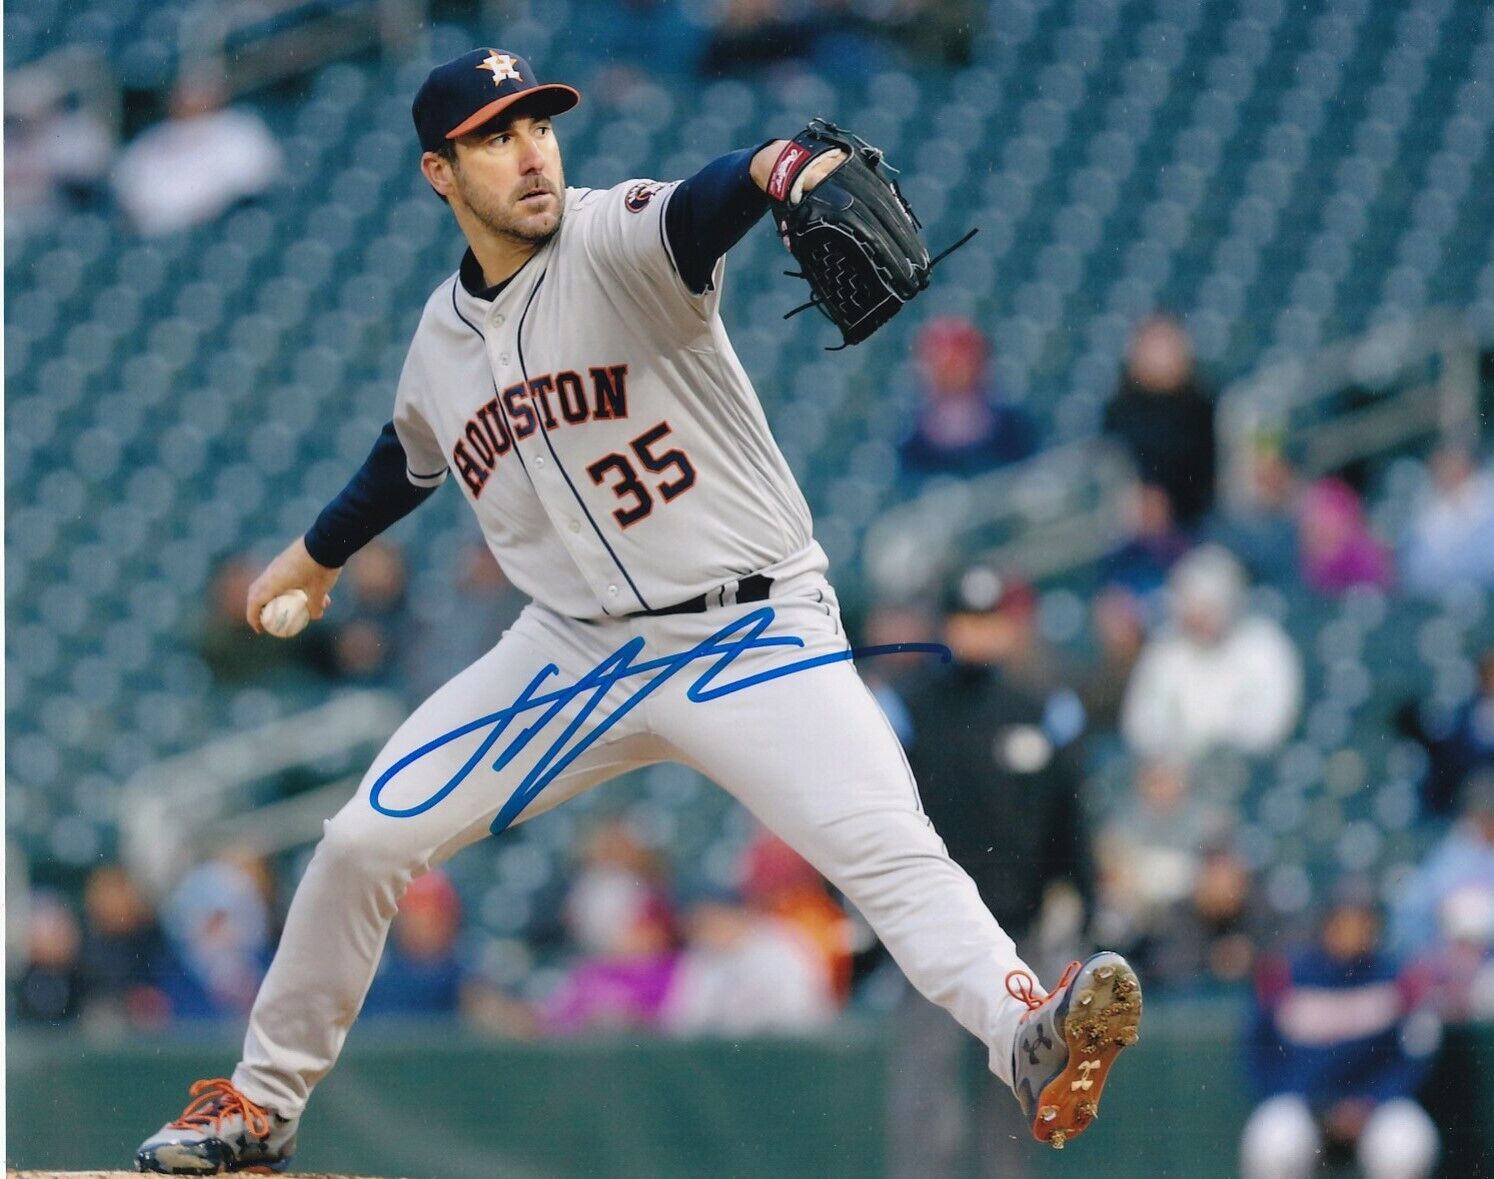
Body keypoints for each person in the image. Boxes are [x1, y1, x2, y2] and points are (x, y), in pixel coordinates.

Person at [134, 49, 1141, 1172]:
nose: (531, 153)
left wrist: (780, 164)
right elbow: (406, 459)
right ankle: (260, 1110)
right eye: (495, 137)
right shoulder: (438, 340)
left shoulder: (612, 235)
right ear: (440, 171)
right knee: (363, 839)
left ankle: (1026, 1035)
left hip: (749, 627)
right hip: (574, 653)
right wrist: (311, 561)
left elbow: (710, 200)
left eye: (540, 127)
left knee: (888, 852)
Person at [890, 563, 1095, 1178]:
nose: (976, 634)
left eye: (987, 620)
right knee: (926, 1100)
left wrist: (1086, 899)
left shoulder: (1040, 708)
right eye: (964, 619)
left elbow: (1073, 817)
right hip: (934, 933)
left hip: (1020, 932)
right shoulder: (906, 708)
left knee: (1018, 1089)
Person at [1240, 884, 1440, 1179]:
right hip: (1305, 1103)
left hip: (1374, 1107)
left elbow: (1414, 1058)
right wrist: (1311, 1100)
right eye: (1345, 920)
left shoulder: (1398, 978)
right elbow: (1258, 1052)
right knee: (1274, 1139)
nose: (1353, 930)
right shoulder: (1288, 974)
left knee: (1406, 1144)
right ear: (1327, 923)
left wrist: (1371, 1099)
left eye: (1363, 922)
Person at [1121, 544, 1303, 761]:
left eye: (1208, 607)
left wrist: (1212, 753)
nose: (1199, 618)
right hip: (1174, 771)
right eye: (1192, 607)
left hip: (1244, 768)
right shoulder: (1165, 651)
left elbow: (1271, 723)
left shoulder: (1264, 645)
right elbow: (1142, 723)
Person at [1102, 315, 1217, 527]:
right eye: (1153, 344)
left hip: (1196, 524)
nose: (1160, 355)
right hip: (1134, 528)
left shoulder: (1204, 407)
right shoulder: (1118, 411)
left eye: (1166, 343)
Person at [896, 316, 1037, 483]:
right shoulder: (913, 439)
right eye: (945, 367)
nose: (953, 374)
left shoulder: (1009, 425)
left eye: (958, 364)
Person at [1400, 444, 1494, 598]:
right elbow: (1417, 572)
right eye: (1440, 466)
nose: (1445, 471)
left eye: (1451, 464)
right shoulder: (1427, 511)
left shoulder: (1489, 495)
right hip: (1448, 596)